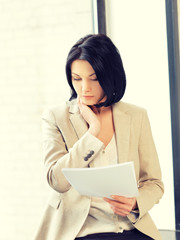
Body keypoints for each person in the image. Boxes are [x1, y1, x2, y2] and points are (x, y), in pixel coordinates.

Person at [33, 34, 164, 240]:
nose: (84, 88)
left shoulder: (136, 116)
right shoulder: (56, 117)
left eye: (93, 78)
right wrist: (93, 130)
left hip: (130, 227)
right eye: (77, 79)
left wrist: (135, 202)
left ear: (110, 75)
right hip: (80, 229)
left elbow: (154, 182)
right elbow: (56, 180)